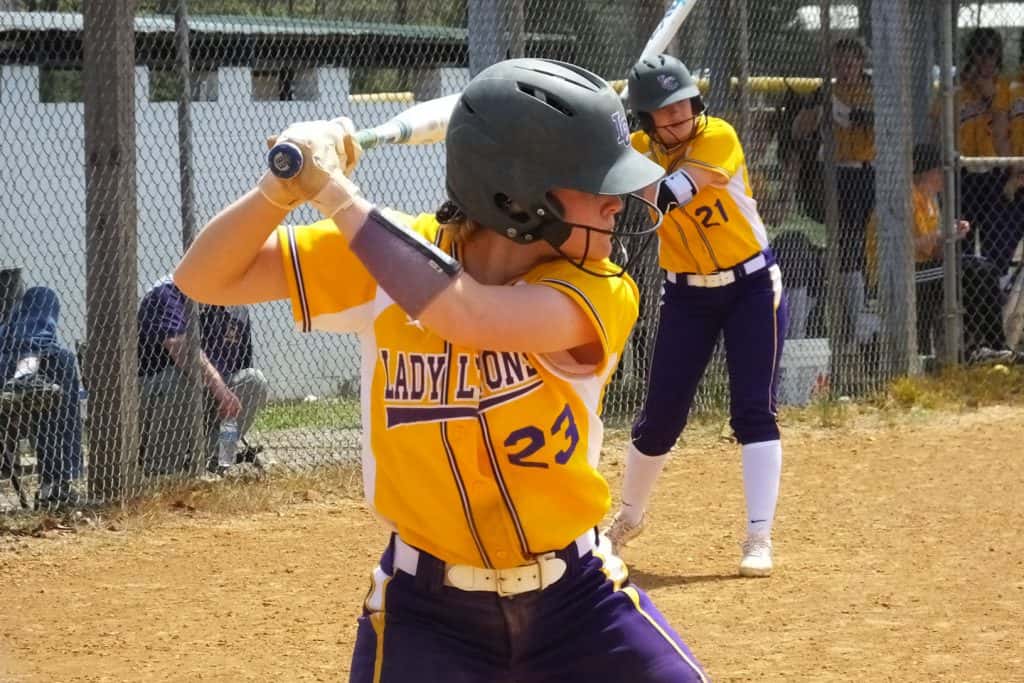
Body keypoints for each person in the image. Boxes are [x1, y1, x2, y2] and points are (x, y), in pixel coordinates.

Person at [173, 58, 708, 682]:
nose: (618, 202)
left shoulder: (601, 285)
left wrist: (335, 195)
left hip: (577, 602)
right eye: (596, 183)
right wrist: (280, 187)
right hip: (426, 617)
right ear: (518, 196)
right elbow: (203, 277)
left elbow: (467, 314)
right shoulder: (382, 252)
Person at [605, 54, 787, 579]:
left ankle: (758, 535)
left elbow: (670, 195)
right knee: (661, 415)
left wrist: (620, 163)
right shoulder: (636, 149)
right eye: (664, 111)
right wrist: (602, 143)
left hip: (751, 286)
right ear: (646, 119)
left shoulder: (718, 136)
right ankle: (628, 518)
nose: (679, 115)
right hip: (686, 294)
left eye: (683, 103)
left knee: (753, 410)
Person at [137, 277, 268, 475]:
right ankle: (162, 471)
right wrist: (221, 391)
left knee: (254, 380)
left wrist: (226, 397)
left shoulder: (236, 307)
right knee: (183, 377)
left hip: (207, 398)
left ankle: (216, 461)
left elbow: (240, 367)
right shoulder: (168, 290)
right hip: (152, 402)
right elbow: (181, 349)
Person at [792, 38, 875, 343]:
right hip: (837, 173)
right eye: (838, 63)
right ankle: (852, 322)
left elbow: (871, 123)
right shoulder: (825, 92)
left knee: (865, 241)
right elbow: (798, 130)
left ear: (860, 63)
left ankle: (863, 316)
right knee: (845, 242)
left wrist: (846, 112)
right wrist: (816, 110)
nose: (845, 69)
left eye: (850, 63)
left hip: (868, 172)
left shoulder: (873, 89)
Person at [932, 28, 1016, 275]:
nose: (985, 60)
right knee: (962, 240)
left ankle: (993, 288)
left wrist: (988, 95)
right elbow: (936, 127)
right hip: (963, 173)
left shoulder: (1005, 88)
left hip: (995, 173)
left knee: (996, 240)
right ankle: (963, 290)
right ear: (971, 55)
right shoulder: (954, 89)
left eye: (991, 52)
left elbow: (1006, 128)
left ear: (998, 56)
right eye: (979, 52)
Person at [0, 269, 83, 509]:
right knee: (60, 360)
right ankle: (56, 483)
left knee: (41, 296)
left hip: (8, 351)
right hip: (11, 355)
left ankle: (27, 369)